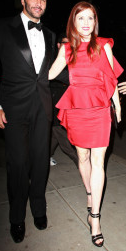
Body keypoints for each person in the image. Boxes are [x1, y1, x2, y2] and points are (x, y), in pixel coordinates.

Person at [0, 0, 58, 243]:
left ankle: (38, 209)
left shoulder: (50, 34)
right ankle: (16, 218)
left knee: (40, 163)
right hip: (11, 109)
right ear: (23, 0)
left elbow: (52, 74)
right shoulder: (2, 27)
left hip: (42, 107)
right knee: (18, 165)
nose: (39, 3)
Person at [49, 1, 123, 247]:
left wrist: (118, 105)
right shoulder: (66, 47)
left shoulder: (104, 46)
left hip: (100, 109)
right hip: (78, 108)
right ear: (73, 21)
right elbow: (48, 74)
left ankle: (95, 218)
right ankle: (90, 194)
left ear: (95, 21)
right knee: (82, 158)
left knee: (98, 161)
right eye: (81, 18)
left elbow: (111, 77)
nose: (86, 23)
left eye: (90, 18)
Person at [50, 33, 78, 167]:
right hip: (53, 102)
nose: (68, 46)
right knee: (60, 132)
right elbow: (57, 75)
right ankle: (79, 161)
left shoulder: (74, 59)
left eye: (70, 43)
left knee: (56, 133)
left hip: (68, 102)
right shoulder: (53, 59)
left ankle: (45, 156)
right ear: (58, 45)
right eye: (65, 43)